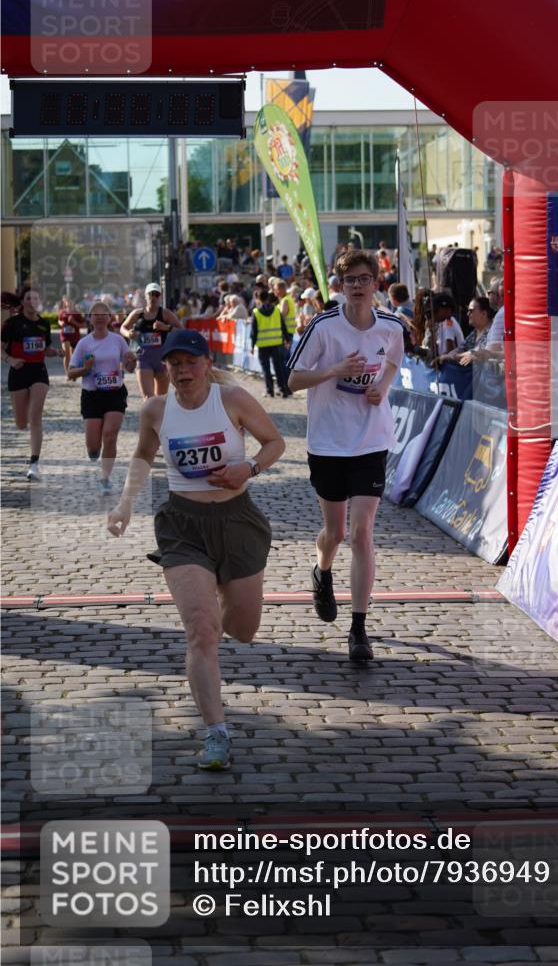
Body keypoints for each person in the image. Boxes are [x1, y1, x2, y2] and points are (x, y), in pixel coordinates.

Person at [107, 329, 285, 771]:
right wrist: (125, 502)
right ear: (165, 368)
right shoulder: (155, 409)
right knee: (201, 631)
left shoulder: (232, 400)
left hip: (237, 520)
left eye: (191, 362)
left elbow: (275, 442)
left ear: (207, 364)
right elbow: (143, 456)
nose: (183, 371)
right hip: (182, 526)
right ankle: (216, 734)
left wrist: (249, 467)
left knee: (242, 629)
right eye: (175, 364)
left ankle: (224, 594)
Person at [287, 249, 404, 662]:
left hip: (371, 441)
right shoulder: (324, 327)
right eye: (349, 280)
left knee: (363, 534)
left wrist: (382, 388)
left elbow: (394, 361)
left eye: (363, 278)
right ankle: (322, 571)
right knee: (335, 534)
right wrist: (334, 370)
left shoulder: (390, 326)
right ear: (340, 286)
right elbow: (293, 379)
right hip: (328, 443)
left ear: (376, 283)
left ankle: (359, 629)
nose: (356, 286)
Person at [67, 301, 137, 493]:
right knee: (93, 446)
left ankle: (104, 479)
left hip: (115, 393)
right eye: (95, 315)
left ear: (109, 318)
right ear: (90, 319)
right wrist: (85, 369)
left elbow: (129, 367)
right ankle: (94, 451)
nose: (99, 318)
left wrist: (131, 362)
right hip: (92, 395)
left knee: (110, 435)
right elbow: (70, 373)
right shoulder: (84, 343)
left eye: (103, 314)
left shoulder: (118, 341)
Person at [1, 289, 62, 480]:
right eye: (28, 298)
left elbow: (45, 350)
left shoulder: (44, 324)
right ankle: (24, 421)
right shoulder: (12, 323)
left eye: (35, 298)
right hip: (18, 373)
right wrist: (10, 359)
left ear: (39, 301)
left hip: (38, 372)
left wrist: (56, 352)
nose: (32, 301)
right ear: (23, 302)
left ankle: (34, 463)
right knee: (21, 423)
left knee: (35, 416)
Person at [120, 283, 181, 399]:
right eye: (150, 294)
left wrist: (166, 327)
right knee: (148, 398)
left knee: (161, 399)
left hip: (162, 360)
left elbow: (181, 330)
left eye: (156, 295)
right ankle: (150, 416)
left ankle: (159, 417)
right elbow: (123, 328)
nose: (153, 297)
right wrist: (129, 334)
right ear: (145, 296)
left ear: (160, 297)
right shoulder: (137, 314)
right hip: (143, 359)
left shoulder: (165, 314)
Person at [250, 288, 291, 398]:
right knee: (279, 368)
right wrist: (287, 339)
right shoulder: (277, 310)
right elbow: (283, 326)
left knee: (266, 369)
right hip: (277, 343)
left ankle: (270, 391)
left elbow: (253, 331)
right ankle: (283, 390)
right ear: (268, 298)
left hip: (263, 345)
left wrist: (252, 346)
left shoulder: (256, 312)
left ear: (258, 299)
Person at [440, 295, 494, 365]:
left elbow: (478, 352)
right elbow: (460, 349)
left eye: (471, 311)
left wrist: (451, 357)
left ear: (483, 314)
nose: (467, 314)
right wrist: (449, 356)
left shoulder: (493, 332)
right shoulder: (474, 333)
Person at [58, 296, 86, 372]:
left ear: (73, 302)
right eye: (67, 301)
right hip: (65, 336)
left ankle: (73, 371)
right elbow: (59, 321)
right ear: (65, 302)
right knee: (66, 354)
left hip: (74, 337)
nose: (68, 302)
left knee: (73, 355)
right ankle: (68, 373)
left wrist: (74, 322)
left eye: (70, 300)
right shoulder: (62, 312)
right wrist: (61, 323)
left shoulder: (77, 313)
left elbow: (83, 325)